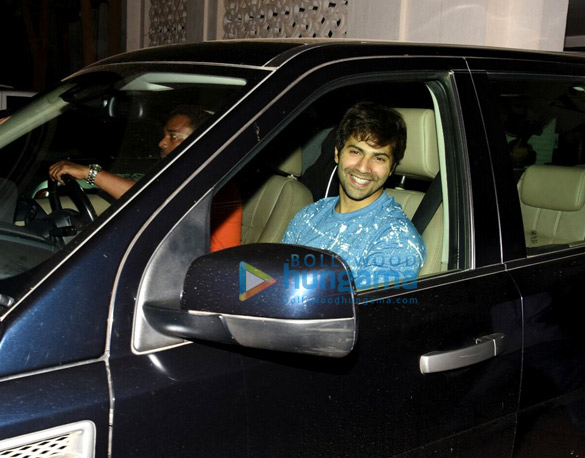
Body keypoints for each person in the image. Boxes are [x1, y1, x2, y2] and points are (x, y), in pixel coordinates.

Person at [49, 105, 242, 252]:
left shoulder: (213, 177)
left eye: (173, 136)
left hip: (203, 273)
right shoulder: (183, 173)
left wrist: (89, 173)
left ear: (201, 140)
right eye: (165, 134)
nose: (162, 142)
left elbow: (149, 199)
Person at [282, 101, 425, 289]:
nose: (364, 168)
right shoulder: (309, 215)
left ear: (392, 169)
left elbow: (362, 314)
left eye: (379, 158)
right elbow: (276, 280)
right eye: (356, 152)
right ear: (336, 154)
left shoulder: (397, 240)